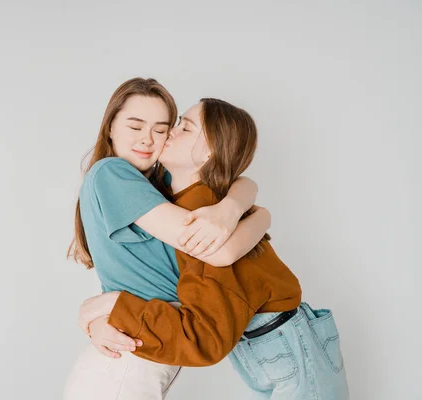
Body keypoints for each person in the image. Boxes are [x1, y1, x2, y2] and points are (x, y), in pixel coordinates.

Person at [76, 97, 349, 399]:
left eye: (176, 127)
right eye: (136, 125)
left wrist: (110, 306)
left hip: (289, 348)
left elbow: (205, 336)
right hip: (270, 348)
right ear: (110, 125)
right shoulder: (169, 196)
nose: (163, 136)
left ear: (208, 152)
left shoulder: (199, 208)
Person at [64, 78, 271, 399]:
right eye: (135, 126)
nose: (147, 139)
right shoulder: (111, 173)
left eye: (161, 129)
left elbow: (242, 181)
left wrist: (236, 203)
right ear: (110, 128)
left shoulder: (158, 184)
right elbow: (211, 248)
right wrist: (258, 215)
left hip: (147, 340)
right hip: (125, 358)